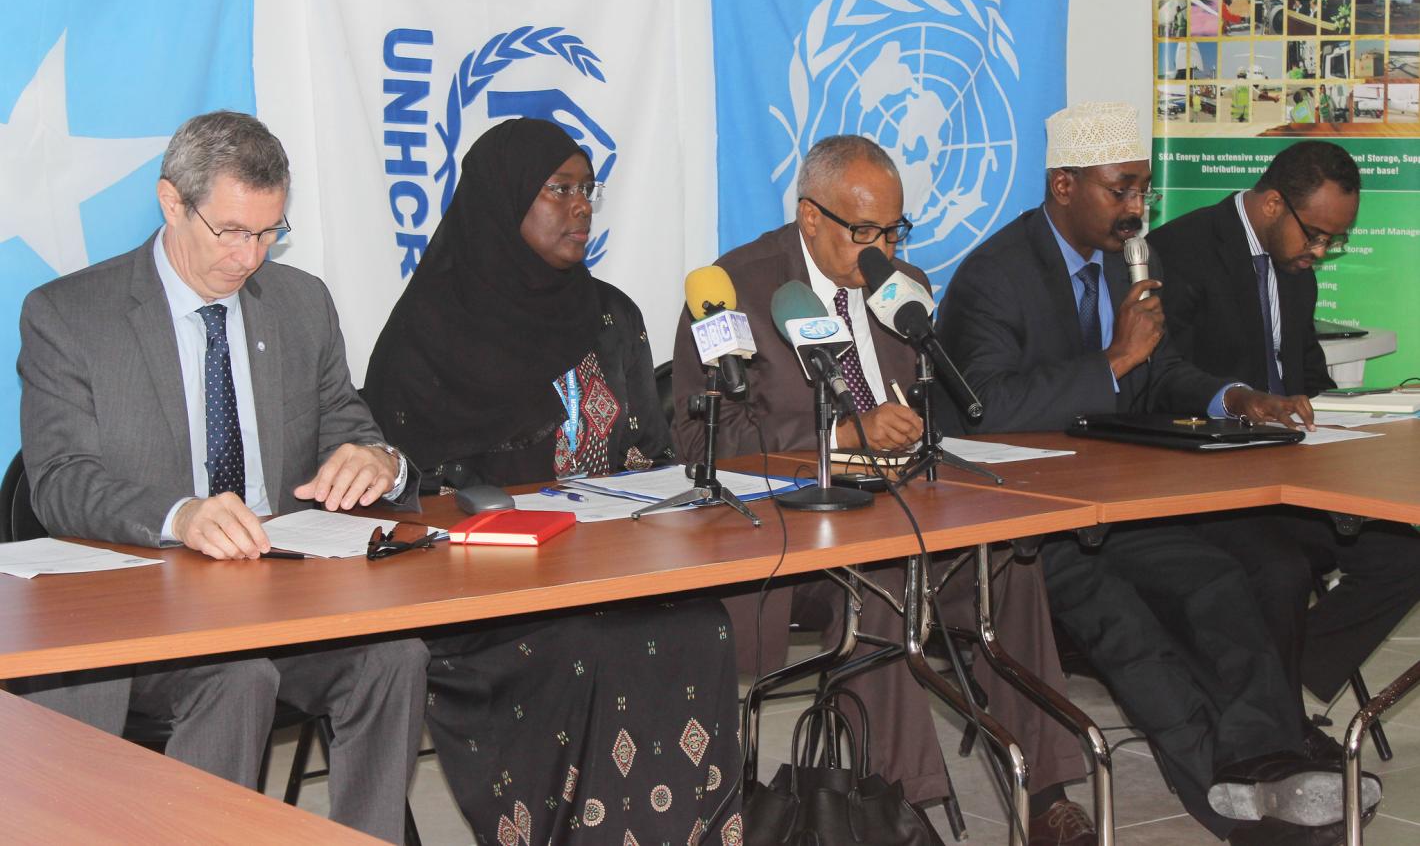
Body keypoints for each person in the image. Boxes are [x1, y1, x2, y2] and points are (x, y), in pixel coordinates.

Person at [934, 102, 1380, 846]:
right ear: (1064, 185)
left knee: (1219, 583)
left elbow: (1161, 369)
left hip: (1121, 501)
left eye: (1144, 189)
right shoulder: (995, 275)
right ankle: (1236, 807)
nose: (1138, 208)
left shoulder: (1132, 261)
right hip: (1029, 523)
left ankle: (1274, 764)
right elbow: (985, 409)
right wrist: (1113, 361)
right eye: (1122, 190)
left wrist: (1236, 397)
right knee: (1133, 633)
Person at [17, 110, 429, 844]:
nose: (249, 257)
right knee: (239, 677)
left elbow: (349, 423)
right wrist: (180, 514)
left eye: (269, 233)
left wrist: (378, 459)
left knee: (394, 656)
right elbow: (60, 482)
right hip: (148, 615)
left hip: (283, 597)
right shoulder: (71, 316)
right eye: (232, 231)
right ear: (171, 202)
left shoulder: (301, 303)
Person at [671, 135, 1094, 845]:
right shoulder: (733, 289)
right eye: (865, 231)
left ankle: (1045, 793)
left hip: (905, 510)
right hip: (796, 541)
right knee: (883, 582)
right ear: (811, 216)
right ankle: (907, 810)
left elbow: (931, 408)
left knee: (1010, 561)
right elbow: (704, 443)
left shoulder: (902, 286)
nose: (883, 250)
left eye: (895, 230)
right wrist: (840, 433)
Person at [364, 117, 742, 846]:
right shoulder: (429, 329)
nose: (580, 207)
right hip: (491, 593)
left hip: (611, 567)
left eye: (587, 190)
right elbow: (404, 491)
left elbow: (653, 457)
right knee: (591, 645)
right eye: (558, 189)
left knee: (700, 624)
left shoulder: (612, 316)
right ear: (502, 200)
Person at [1150, 140, 1420, 729]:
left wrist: (1364, 411)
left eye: (1333, 242)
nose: (1320, 252)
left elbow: (1307, 375)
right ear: (1273, 204)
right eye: (1316, 235)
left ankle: (1278, 684)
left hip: (1291, 475)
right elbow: (1159, 383)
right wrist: (1242, 402)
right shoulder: (1180, 251)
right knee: (1282, 572)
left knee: (1406, 556)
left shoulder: (1295, 267)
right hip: (1209, 479)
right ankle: (1272, 717)